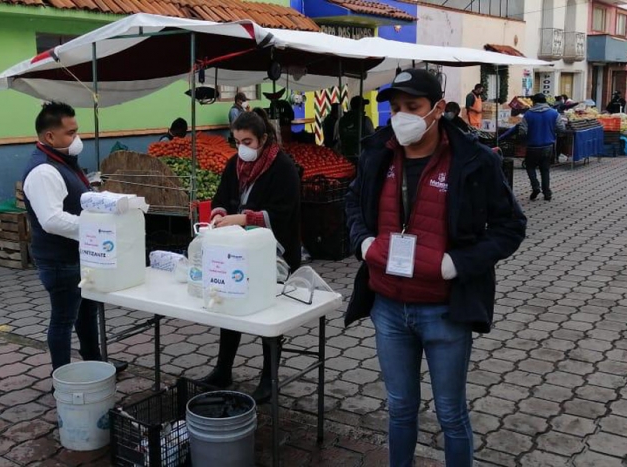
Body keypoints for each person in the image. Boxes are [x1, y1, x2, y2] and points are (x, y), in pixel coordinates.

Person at [345, 69, 526, 467]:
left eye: (413, 107)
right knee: (399, 407)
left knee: (450, 414)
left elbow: (511, 226)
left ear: (438, 109)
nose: (402, 117)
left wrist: (457, 263)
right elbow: (354, 203)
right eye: (395, 109)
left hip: (445, 310)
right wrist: (363, 242)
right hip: (388, 307)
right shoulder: (378, 152)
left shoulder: (473, 160)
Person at [199, 110, 301, 404]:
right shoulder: (235, 164)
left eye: (247, 141)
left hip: (275, 252)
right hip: (237, 252)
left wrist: (244, 219)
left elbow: (284, 213)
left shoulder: (283, 168)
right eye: (236, 141)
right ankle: (223, 369)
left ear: (263, 139)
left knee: (267, 314)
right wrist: (219, 215)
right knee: (229, 304)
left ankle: (269, 377)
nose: (242, 147)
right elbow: (221, 198)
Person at [22, 102, 126, 375]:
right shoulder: (44, 171)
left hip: (80, 256)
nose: (77, 139)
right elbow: (52, 220)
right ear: (50, 137)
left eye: (76, 131)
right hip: (60, 260)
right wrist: (94, 228)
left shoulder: (61, 162)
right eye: (71, 133)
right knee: (63, 320)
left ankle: (96, 364)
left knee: (87, 313)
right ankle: (63, 379)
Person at [519, 93, 565, 201]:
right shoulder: (554, 113)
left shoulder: (528, 114)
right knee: (545, 170)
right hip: (548, 146)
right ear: (545, 101)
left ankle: (535, 186)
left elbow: (522, 131)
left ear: (534, 102)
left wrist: (524, 139)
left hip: (532, 147)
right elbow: (561, 128)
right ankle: (547, 193)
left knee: (530, 167)